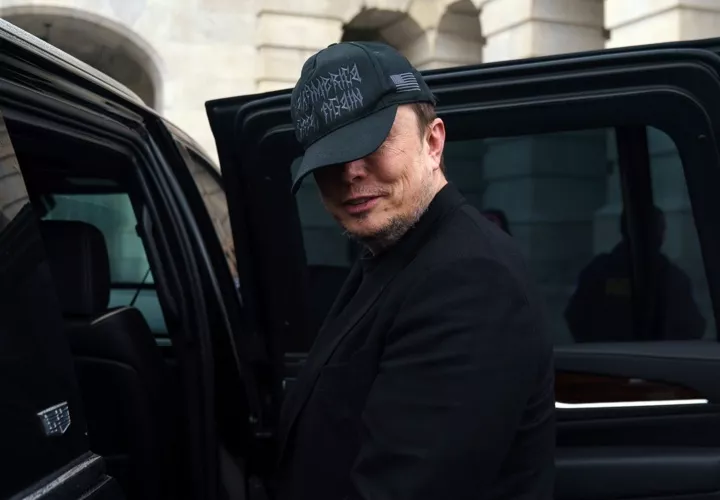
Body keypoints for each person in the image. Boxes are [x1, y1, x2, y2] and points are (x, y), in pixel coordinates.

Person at [275, 41, 555, 500]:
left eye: (373, 142)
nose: (350, 172)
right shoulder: (395, 251)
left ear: (433, 141)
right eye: (330, 157)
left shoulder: (469, 280)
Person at [565, 207, 705, 342]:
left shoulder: (597, 271)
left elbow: (575, 316)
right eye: (661, 229)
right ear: (659, 234)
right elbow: (693, 328)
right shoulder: (673, 278)